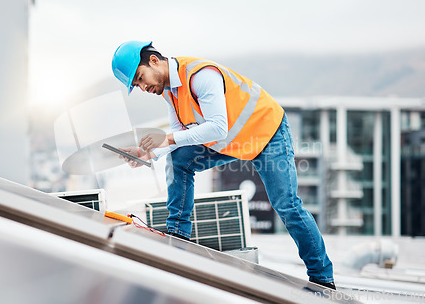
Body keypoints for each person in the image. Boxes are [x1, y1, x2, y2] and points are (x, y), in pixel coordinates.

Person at [111, 40, 336, 290]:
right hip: (230, 142)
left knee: (287, 206)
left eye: (141, 78)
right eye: (137, 85)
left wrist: (168, 139)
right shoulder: (169, 92)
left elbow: (217, 126)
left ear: (154, 61)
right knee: (180, 161)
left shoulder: (201, 75)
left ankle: (322, 278)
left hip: (266, 133)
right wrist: (147, 153)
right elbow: (177, 135)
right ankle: (178, 237)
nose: (143, 87)